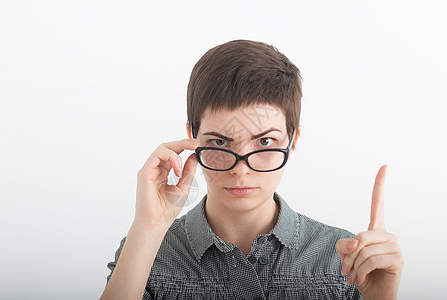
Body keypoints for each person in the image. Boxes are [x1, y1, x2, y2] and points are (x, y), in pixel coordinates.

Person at [100, 40, 403, 300]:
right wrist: (149, 226)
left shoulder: (344, 259)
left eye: (265, 141)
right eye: (220, 141)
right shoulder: (147, 250)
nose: (241, 170)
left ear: (292, 140)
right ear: (192, 137)